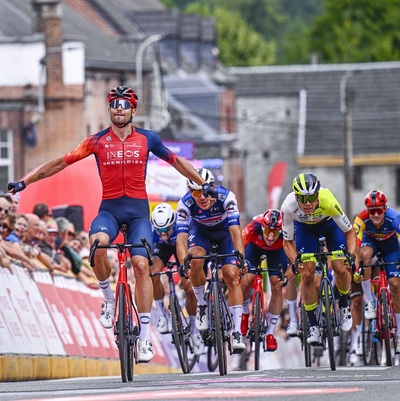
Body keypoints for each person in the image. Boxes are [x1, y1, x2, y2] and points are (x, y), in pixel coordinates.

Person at [8, 85, 214, 363]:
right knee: (96, 247)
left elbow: (177, 162)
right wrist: (25, 182)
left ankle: (142, 339)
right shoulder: (96, 141)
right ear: (110, 109)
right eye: (114, 104)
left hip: (139, 212)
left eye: (124, 104)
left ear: (133, 110)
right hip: (111, 211)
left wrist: (204, 185)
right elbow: (61, 163)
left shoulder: (148, 139)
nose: (119, 108)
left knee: (142, 266)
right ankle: (107, 298)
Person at [281, 172, 357, 345]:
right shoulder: (288, 206)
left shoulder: (328, 200)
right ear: (296, 197)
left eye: (312, 198)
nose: (307, 203)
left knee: (340, 267)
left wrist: (351, 256)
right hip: (305, 229)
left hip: (330, 226)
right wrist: (296, 261)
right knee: (307, 275)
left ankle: (344, 304)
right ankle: (313, 326)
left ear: (317, 195)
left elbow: (349, 231)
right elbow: (287, 242)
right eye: (302, 198)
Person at [176, 168, 246, 352]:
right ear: (190, 192)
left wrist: (240, 256)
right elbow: (181, 238)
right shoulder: (184, 204)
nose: (202, 197)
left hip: (225, 234)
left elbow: (235, 231)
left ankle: (237, 332)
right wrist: (184, 262)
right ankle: (202, 305)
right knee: (195, 261)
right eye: (195, 192)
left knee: (231, 275)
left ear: (213, 187)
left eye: (205, 191)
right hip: (200, 233)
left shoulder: (226, 197)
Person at [150, 202, 205, 357]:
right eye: (159, 230)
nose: (162, 234)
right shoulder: (156, 232)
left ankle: (194, 330)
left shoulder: (183, 225)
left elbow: (186, 256)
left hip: (181, 244)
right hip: (163, 248)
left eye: (166, 230)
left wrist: (185, 274)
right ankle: (162, 314)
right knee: (153, 273)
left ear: (173, 223)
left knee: (188, 287)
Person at [240, 209, 298, 351]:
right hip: (254, 248)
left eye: (275, 233)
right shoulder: (253, 227)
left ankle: (270, 333)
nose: (271, 237)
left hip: (277, 253)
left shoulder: (288, 232)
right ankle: (244, 315)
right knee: (247, 280)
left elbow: (296, 262)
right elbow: (239, 247)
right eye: (267, 232)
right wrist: (240, 265)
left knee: (277, 285)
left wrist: (287, 275)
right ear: (262, 228)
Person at [354, 190, 400, 353]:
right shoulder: (361, 218)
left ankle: (399, 334)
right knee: (364, 255)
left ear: (385, 208)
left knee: (395, 285)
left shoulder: (393, 217)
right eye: (371, 211)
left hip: (391, 248)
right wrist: (356, 264)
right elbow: (355, 244)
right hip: (370, 244)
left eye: (379, 210)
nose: (375, 215)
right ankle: (370, 301)